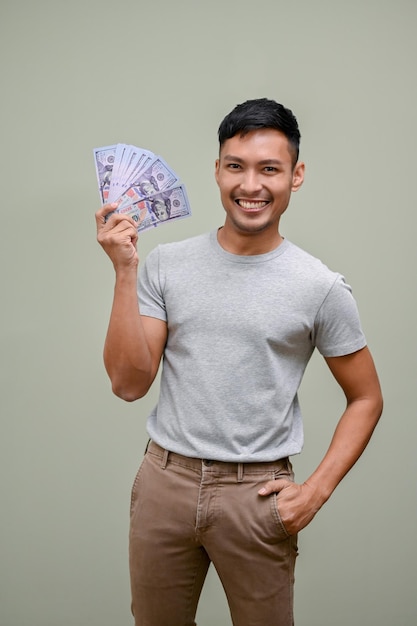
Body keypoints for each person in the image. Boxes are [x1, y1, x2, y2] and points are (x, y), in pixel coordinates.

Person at [95, 98, 383, 626]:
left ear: (295, 176)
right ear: (218, 170)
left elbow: (367, 398)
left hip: (256, 495)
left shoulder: (319, 287)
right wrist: (124, 270)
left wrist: (313, 494)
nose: (251, 185)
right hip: (165, 483)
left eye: (269, 169)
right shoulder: (166, 265)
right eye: (236, 166)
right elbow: (129, 383)